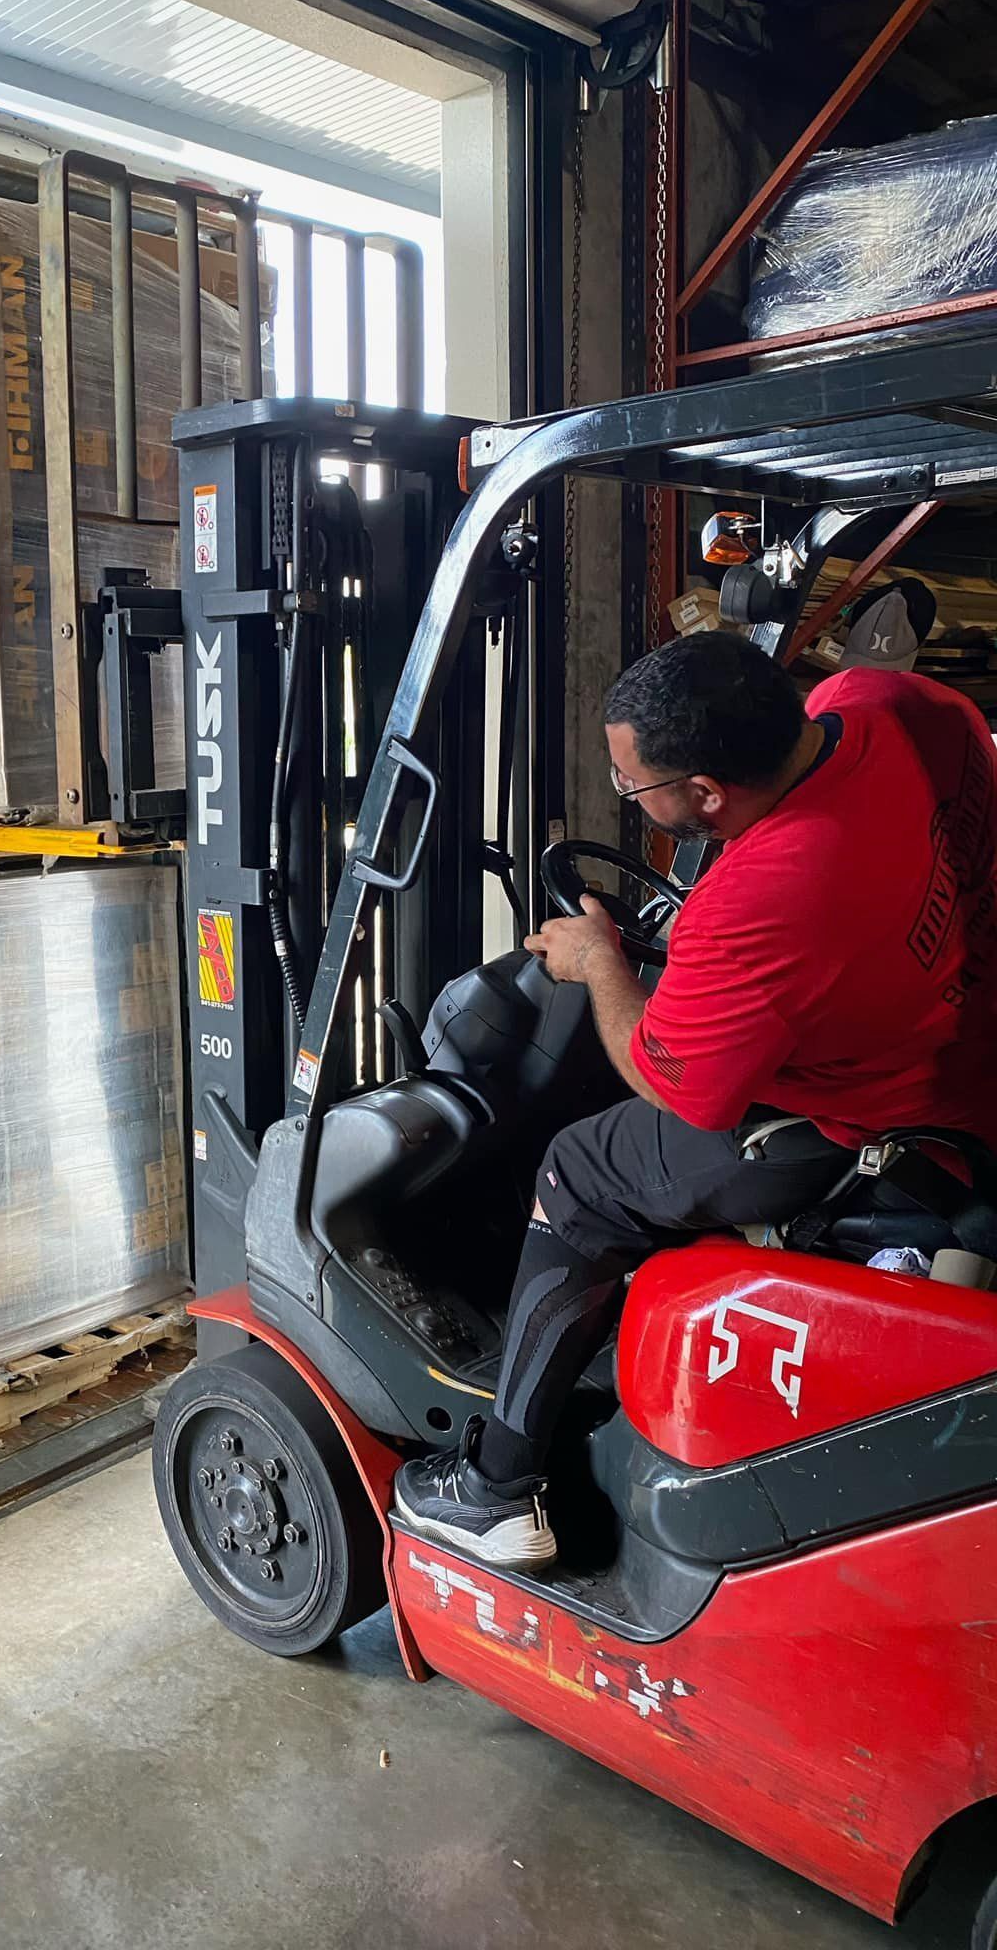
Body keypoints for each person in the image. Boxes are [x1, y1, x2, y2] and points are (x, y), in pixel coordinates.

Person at [395, 629, 997, 1568]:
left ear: (708, 796)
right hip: (966, 1035)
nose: (634, 805)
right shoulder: (891, 704)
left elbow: (682, 1090)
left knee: (581, 1167)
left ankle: (498, 1491)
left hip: (877, 1122)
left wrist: (599, 962)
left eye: (638, 792)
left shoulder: (769, 891)